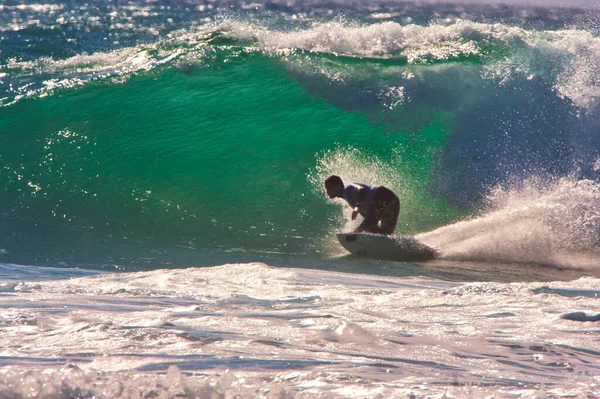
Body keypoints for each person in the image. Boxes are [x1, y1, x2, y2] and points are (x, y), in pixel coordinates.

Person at [324, 175, 399, 235]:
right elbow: (367, 221)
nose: (327, 191)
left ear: (338, 186)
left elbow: (362, 190)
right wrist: (355, 233)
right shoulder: (348, 196)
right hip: (392, 200)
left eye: (329, 188)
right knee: (386, 234)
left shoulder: (347, 189)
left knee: (370, 226)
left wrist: (357, 208)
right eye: (326, 189)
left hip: (381, 195)